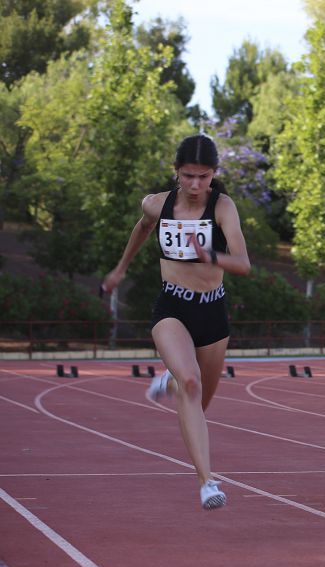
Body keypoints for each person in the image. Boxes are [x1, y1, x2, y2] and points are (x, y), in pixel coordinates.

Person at [102, 134, 250, 510]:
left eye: (204, 177)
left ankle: (169, 377)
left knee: (199, 404)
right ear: (176, 173)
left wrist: (209, 256)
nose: (196, 185)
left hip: (212, 312)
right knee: (190, 382)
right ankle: (207, 483)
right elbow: (142, 227)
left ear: (214, 174)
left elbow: (243, 264)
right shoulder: (157, 204)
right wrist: (120, 268)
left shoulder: (223, 206)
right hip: (172, 306)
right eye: (188, 176)